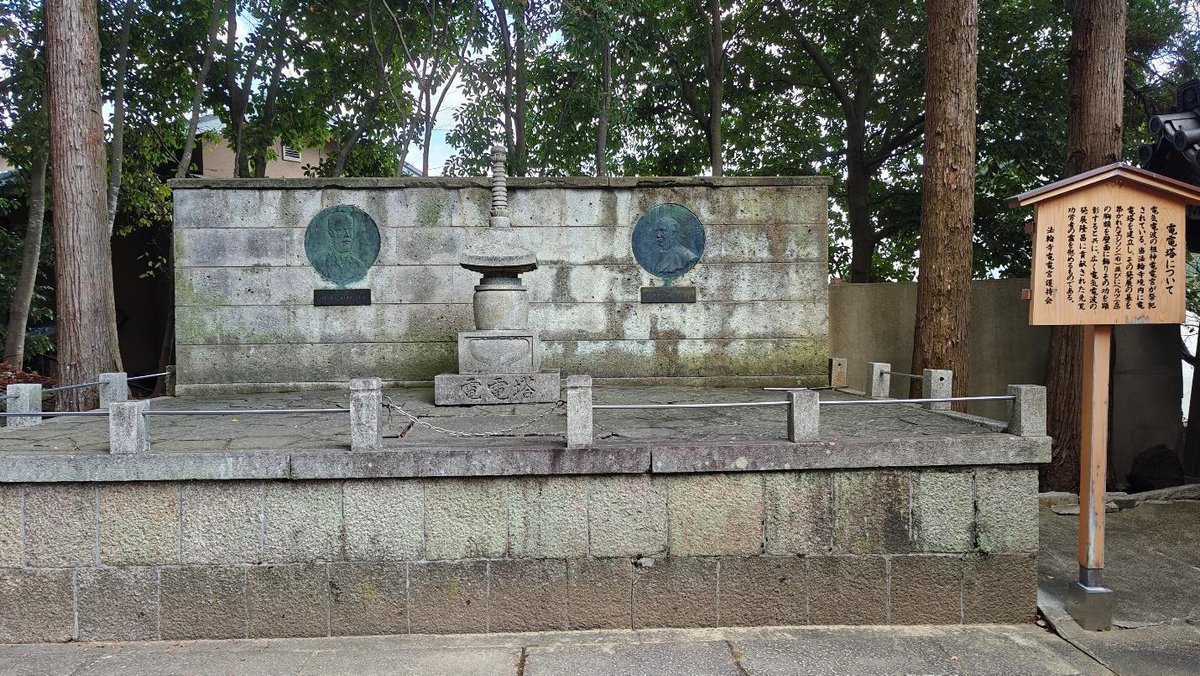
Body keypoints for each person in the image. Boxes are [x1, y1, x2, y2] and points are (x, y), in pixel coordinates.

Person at [318, 211, 366, 283]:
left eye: (350, 230)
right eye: (340, 230)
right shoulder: (320, 263)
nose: (347, 234)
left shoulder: (360, 267)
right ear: (331, 232)